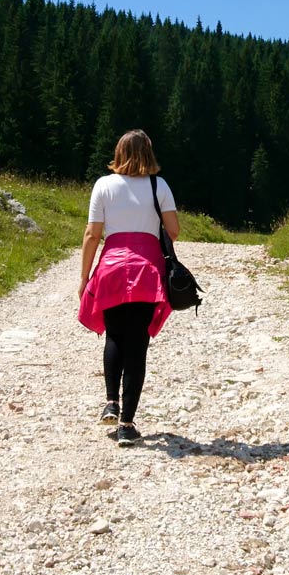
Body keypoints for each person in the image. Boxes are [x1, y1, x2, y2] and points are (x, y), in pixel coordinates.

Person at [77, 129, 179, 446]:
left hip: (111, 270)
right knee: (138, 345)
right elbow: (173, 232)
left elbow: (92, 234)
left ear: (119, 153)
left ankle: (111, 401)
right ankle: (127, 424)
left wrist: (84, 279)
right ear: (148, 153)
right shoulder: (158, 185)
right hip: (147, 271)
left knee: (115, 337)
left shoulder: (103, 186)